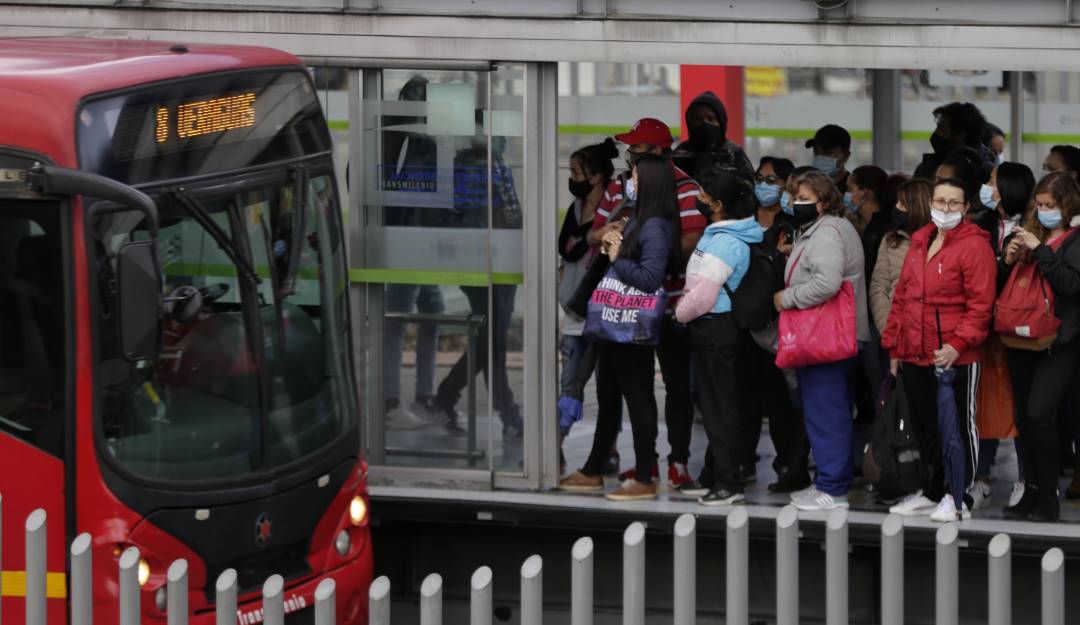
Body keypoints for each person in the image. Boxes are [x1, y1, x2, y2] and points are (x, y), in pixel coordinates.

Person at [587, 118, 705, 489]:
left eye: (636, 148)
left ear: (657, 151)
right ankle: (646, 464)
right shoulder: (620, 187)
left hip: (671, 305)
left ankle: (679, 462)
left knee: (676, 387)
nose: (630, 154)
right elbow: (596, 231)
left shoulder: (686, 187)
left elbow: (694, 239)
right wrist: (606, 236)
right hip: (627, 306)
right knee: (634, 389)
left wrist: (637, 249)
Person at [560, 154, 682, 501]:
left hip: (632, 326)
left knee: (638, 396)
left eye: (637, 179)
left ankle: (644, 474)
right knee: (608, 394)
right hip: (613, 324)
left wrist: (617, 256)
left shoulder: (656, 225)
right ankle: (594, 467)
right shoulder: (634, 216)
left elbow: (649, 278)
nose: (630, 183)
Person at [884, 178, 997, 522]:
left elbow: (981, 307)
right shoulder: (920, 241)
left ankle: (957, 495)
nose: (945, 208)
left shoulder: (974, 246)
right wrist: (894, 347)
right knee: (926, 426)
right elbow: (902, 297)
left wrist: (956, 345)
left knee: (959, 428)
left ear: (965, 208)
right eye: (940, 201)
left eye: (953, 203)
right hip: (916, 352)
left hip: (955, 355)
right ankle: (934, 491)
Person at [773, 170, 870, 511]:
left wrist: (788, 297)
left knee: (826, 413)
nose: (794, 204)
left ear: (824, 201)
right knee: (830, 410)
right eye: (793, 197)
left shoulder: (827, 232)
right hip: (835, 336)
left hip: (827, 338)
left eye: (803, 199)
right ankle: (829, 482)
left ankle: (832, 487)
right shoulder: (830, 228)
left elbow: (827, 282)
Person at [675, 166, 762, 505]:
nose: (698, 200)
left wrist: (680, 313)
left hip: (714, 325)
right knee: (714, 404)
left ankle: (729, 482)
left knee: (719, 407)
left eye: (704, 196)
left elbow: (703, 294)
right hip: (711, 326)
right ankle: (713, 474)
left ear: (719, 204)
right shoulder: (723, 234)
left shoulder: (726, 242)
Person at [434, 121, 523, 438]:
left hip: (506, 260)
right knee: (493, 340)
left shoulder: (497, 164)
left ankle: (445, 397)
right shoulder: (465, 169)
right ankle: (508, 413)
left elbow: (513, 212)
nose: (501, 139)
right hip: (480, 265)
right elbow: (463, 221)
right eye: (494, 133)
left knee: (490, 339)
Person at [1000, 172, 1080, 522]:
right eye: (1041, 204)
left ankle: (1048, 496)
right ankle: (1030, 489)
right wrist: (1008, 258)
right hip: (1020, 335)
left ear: (1068, 204)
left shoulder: (1075, 240)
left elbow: (1070, 284)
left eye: (1051, 205)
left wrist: (1041, 251)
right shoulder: (1029, 232)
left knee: (1039, 414)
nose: (1044, 211)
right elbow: (1002, 285)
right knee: (1022, 418)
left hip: (1060, 341)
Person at [739, 156, 810, 492]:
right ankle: (743, 458)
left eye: (772, 179)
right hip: (742, 322)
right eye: (760, 177)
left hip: (779, 327)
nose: (764, 185)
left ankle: (788, 463)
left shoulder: (793, 225)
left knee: (780, 399)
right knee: (744, 396)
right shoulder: (741, 221)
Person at [380, 75, 446, 431]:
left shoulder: (413, 133)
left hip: (420, 235)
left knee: (431, 309)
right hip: (406, 235)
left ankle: (423, 396)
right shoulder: (403, 131)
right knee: (399, 313)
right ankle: (391, 400)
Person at [557, 138, 620, 473]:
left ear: (596, 177)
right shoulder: (575, 211)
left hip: (602, 310)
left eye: (576, 172)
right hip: (572, 309)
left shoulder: (616, 211)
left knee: (608, 386)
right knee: (570, 382)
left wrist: (595, 239)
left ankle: (609, 448)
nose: (572, 178)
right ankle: (556, 444)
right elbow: (568, 249)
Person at [869, 178, 933, 335]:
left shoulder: (939, 242)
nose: (896, 208)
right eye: (897, 202)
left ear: (919, 207)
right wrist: (888, 329)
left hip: (932, 333)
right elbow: (879, 287)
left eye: (902, 204)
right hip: (897, 331)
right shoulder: (891, 240)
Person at [672, 91, 754, 179]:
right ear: (690, 123)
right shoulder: (680, 154)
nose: (705, 123)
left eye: (711, 119)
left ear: (721, 122)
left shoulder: (735, 155)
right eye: (699, 119)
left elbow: (749, 189)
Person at [914, 102, 995, 181]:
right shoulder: (927, 167)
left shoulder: (987, 177)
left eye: (942, 129)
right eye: (937, 128)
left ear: (960, 136)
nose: (935, 133)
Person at [806, 124, 852, 192]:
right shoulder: (806, 186)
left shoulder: (853, 190)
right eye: (816, 152)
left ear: (845, 156)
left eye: (828, 153)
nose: (820, 157)